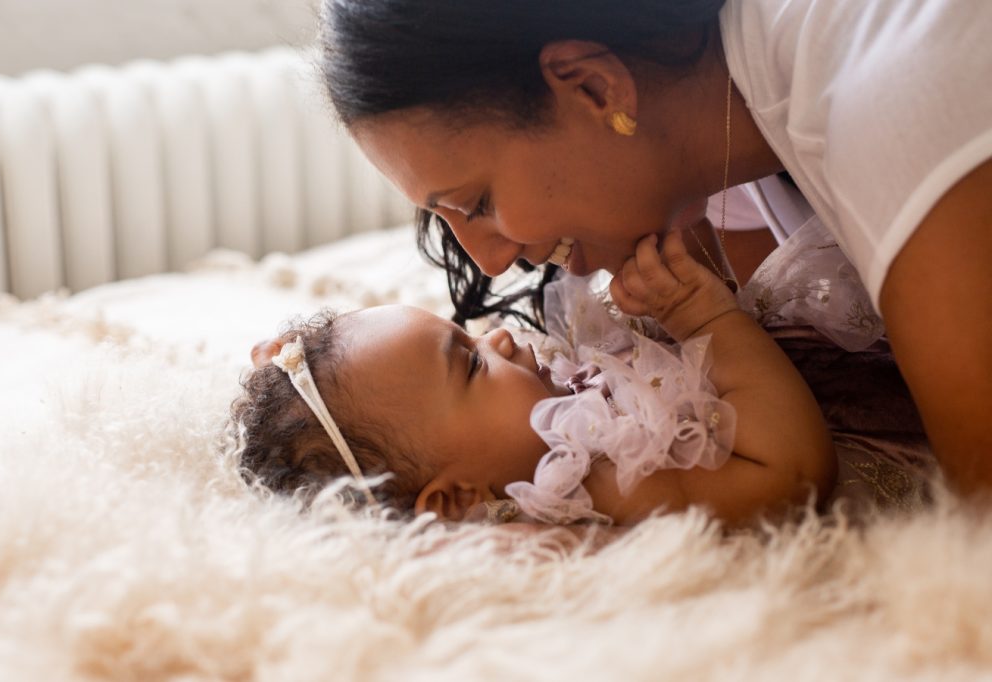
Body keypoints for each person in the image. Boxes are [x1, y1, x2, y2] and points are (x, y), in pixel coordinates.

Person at [316, 0, 992, 494]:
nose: (490, 262)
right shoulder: (706, 166)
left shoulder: (898, 97)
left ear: (594, 86)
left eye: (479, 204)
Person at [231, 229, 835, 526]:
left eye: (467, 333)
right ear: (458, 498)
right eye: (471, 362)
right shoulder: (605, 487)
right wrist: (708, 320)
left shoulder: (562, 404)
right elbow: (792, 472)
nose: (496, 336)